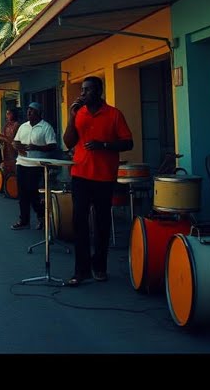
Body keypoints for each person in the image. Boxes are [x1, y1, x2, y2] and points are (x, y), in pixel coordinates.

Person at [62, 76, 133, 286]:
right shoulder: (79, 113)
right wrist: (71, 118)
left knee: (102, 223)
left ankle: (99, 266)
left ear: (99, 91)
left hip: (104, 176)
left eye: (88, 90)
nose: (83, 93)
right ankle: (81, 270)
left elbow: (128, 142)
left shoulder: (114, 114)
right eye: (82, 90)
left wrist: (104, 145)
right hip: (80, 174)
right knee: (79, 222)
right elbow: (68, 142)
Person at [10, 101, 60, 230]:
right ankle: (24, 220)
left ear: (38, 113)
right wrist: (16, 145)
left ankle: (41, 215)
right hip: (21, 162)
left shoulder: (46, 127)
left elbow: (52, 145)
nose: (29, 112)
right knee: (22, 194)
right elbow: (16, 141)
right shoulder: (23, 126)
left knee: (32, 192)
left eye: (32, 110)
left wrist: (37, 147)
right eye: (28, 110)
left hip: (36, 164)